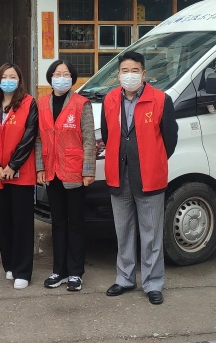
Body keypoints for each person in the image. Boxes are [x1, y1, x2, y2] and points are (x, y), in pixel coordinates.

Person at [101, 51, 178, 305]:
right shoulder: (110, 99)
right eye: (125, 71)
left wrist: (153, 160)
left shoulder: (161, 100)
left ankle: (153, 282)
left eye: (135, 71)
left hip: (149, 176)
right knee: (123, 231)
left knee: (151, 233)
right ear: (118, 75)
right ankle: (124, 278)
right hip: (118, 175)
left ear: (144, 74)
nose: (129, 75)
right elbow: (108, 135)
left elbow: (170, 139)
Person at [35, 59, 95, 292]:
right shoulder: (41, 104)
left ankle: (75, 273)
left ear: (72, 78)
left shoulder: (82, 104)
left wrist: (88, 170)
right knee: (58, 223)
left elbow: (89, 139)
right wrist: (40, 168)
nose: (62, 78)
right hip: (51, 172)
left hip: (75, 172)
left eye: (66, 74)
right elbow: (38, 140)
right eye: (58, 74)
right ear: (50, 78)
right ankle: (58, 271)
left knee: (76, 223)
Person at [0, 63, 39, 290]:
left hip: (20, 172)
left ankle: (23, 271)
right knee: (2, 220)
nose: (8, 80)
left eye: (13, 77)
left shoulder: (29, 103)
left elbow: (29, 136)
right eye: (4, 77)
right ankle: (10, 265)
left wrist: (13, 165)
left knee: (22, 222)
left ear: (19, 80)